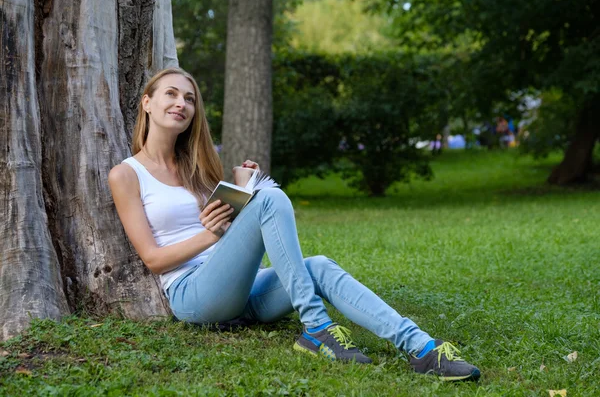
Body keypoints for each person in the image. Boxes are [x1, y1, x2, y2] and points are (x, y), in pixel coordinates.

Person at [108, 68, 481, 382]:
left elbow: (227, 231)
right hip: (193, 295)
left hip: (239, 289)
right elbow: (154, 259)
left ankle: (423, 349)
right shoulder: (126, 174)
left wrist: (240, 188)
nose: (181, 103)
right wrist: (210, 235)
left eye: (189, 98)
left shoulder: (198, 167)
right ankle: (317, 328)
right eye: (171, 94)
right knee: (273, 199)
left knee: (317, 265)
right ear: (147, 102)